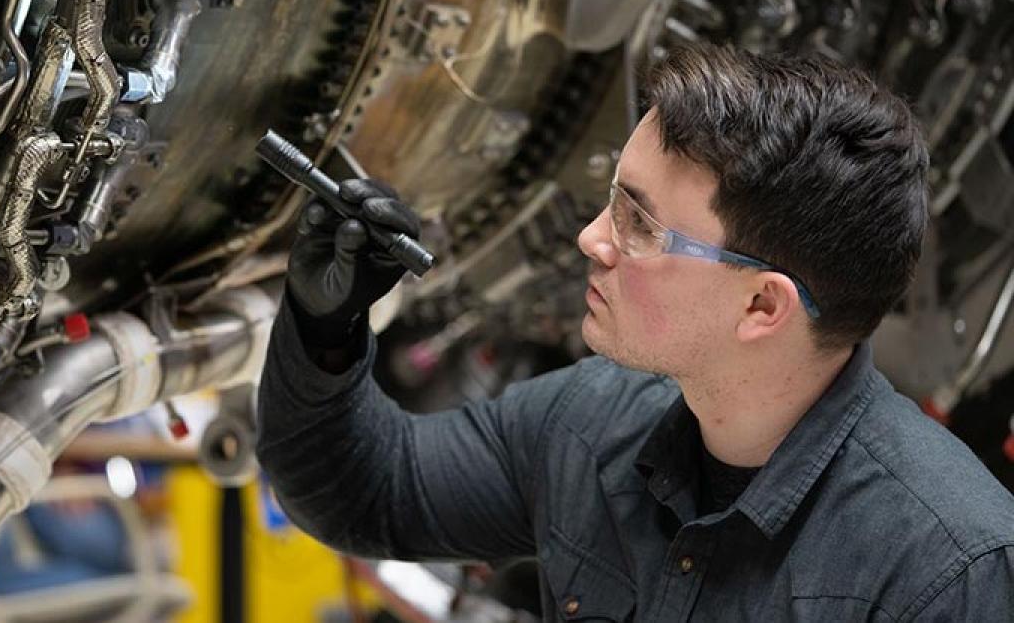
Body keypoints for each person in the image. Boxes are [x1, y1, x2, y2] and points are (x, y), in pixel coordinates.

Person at [256, 43, 1014, 621]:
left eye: (638, 223)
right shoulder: (592, 422)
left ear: (762, 306)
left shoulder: (946, 573)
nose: (591, 238)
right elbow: (365, 489)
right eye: (611, 200)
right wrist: (326, 324)